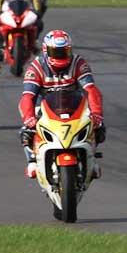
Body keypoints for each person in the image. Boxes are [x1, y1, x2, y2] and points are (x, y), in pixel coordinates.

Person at [18, 30, 106, 179]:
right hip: (44, 106)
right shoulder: (36, 67)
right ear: (46, 51)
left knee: (98, 126)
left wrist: (96, 113)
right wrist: (29, 118)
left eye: (65, 51)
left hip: (73, 103)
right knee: (26, 131)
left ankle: (91, 159)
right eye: (57, 52)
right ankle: (32, 160)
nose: (62, 55)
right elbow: (27, 97)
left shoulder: (78, 63)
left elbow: (91, 90)